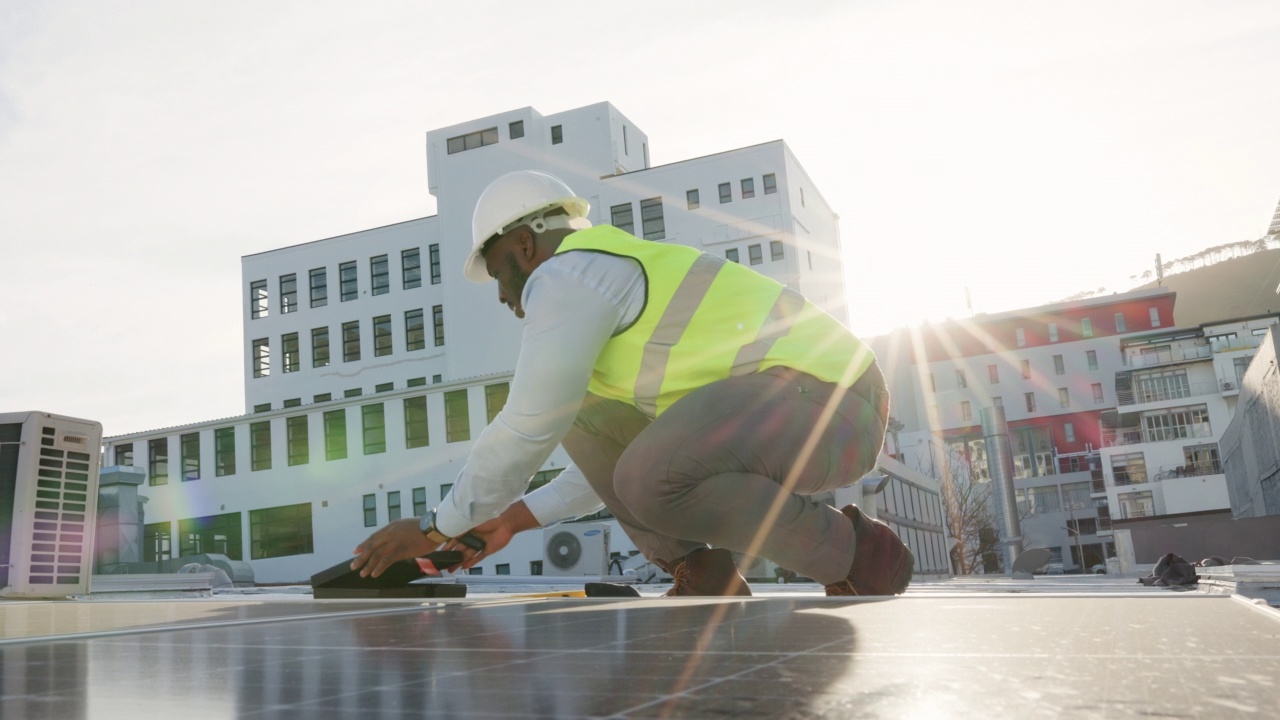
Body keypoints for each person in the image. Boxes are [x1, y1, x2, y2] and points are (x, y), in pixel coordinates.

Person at [351, 170, 912, 596]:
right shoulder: (602, 289)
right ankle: (702, 570)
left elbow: (527, 426)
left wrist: (432, 529)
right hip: (801, 405)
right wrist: (513, 519)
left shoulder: (567, 275)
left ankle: (858, 556)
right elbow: (620, 469)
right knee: (588, 413)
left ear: (524, 245)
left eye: (499, 271)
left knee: (638, 468)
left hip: (838, 402)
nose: (502, 294)